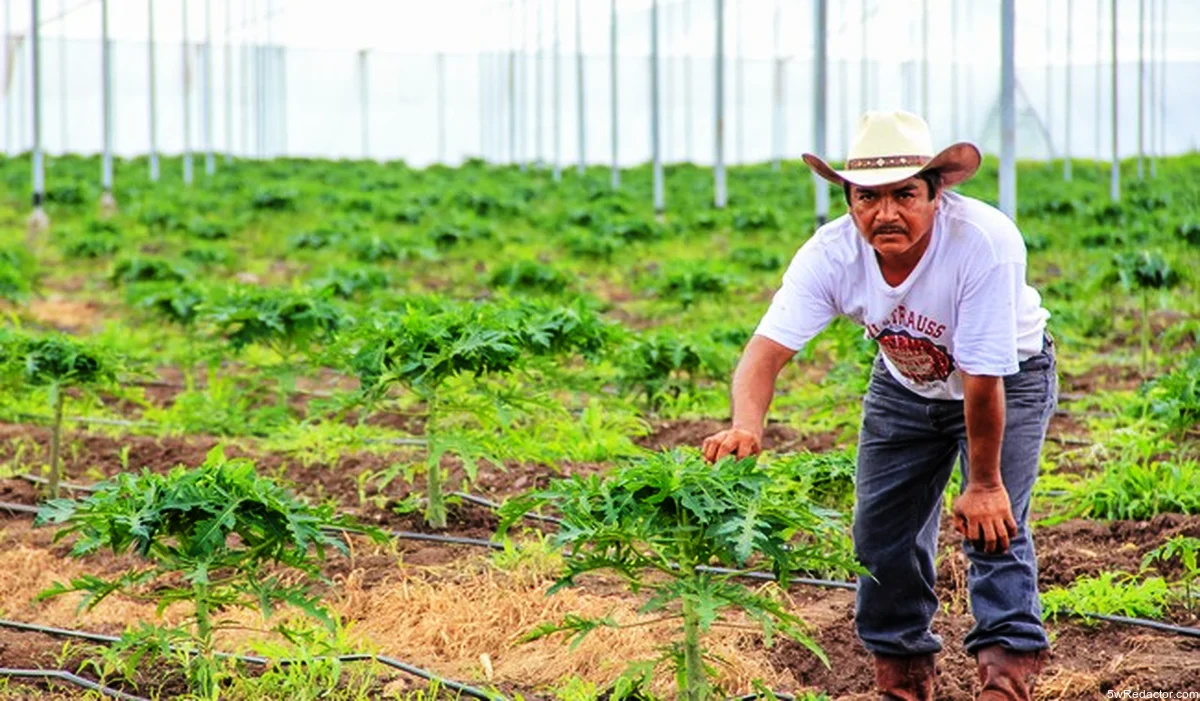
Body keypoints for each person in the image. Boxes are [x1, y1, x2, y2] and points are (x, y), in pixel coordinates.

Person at [701, 111, 1056, 701]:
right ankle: (903, 674)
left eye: (904, 195)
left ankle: (1006, 671)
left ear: (937, 193)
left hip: (1005, 380)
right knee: (880, 532)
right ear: (847, 199)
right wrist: (746, 425)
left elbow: (983, 375)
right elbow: (764, 353)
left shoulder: (984, 243)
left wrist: (985, 482)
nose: (886, 213)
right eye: (868, 198)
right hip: (904, 384)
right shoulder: (832, 254)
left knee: (992, 524)